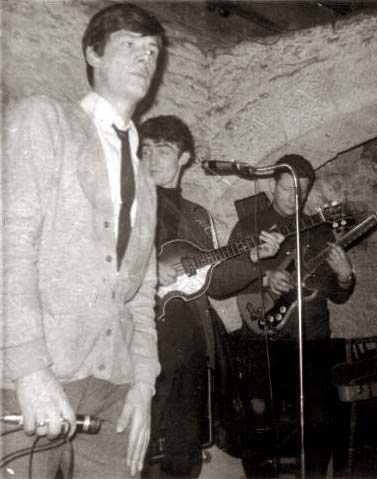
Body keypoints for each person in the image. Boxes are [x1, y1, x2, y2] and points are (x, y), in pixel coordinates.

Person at [3, 4, 165, 478]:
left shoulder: (146, 180)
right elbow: (9, 247)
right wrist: (28, 371)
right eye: (130, 46)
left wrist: (142, 385)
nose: (144, 59)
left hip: (113, 389)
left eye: (152, 51)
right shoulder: (44, 119)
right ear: (93, 54)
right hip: (34, 380)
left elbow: (141, 297)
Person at [138, 115, 284, 478]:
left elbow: (216, 283)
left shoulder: (198, 217)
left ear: (184, 157)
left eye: (164, 150)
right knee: (138, 444)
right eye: (145, 150)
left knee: (184, 450)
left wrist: (253, 260)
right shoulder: (127, 206)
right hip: (141, 338)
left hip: (189, 345)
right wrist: (149, 271)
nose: (152, 159)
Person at [221, 154, 356, 478]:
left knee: (319, 424)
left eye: (302, 191)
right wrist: (265, 279)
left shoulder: (320, 232)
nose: (295, 199)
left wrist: (344, 275)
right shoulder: (248, 226)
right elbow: (226, 280)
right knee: (260, 426)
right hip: (262, 340)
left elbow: (338, 296)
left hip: (312, 339)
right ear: (272, 185)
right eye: (287, 190)